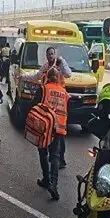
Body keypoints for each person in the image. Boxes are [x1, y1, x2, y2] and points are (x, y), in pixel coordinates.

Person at [22, 46, 72, 166]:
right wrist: (23, 77)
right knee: (48, 129)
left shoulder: (60, 64)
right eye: (48, 54)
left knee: (59, 132)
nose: (50, 56)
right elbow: (36, 77)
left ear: (55, 54)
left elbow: (68, 74)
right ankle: (53, 156)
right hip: (48, 100)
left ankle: (60, 159)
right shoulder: (45, 67)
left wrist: (62, 62)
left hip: (59, 101)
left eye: (52, 54)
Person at [30, 67, 68, 200]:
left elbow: (34, 104)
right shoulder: (64, 92)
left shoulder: (43, 89)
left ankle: (46, 179)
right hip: (59, 128)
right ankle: (54, 185)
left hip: (45, 126)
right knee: (55, 156)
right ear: (58, 78)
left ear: (47, 76)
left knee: (43, 152)